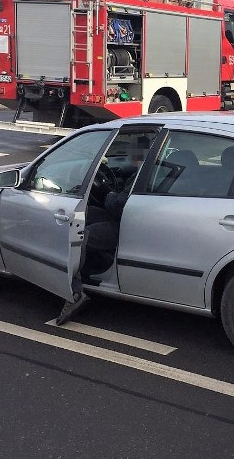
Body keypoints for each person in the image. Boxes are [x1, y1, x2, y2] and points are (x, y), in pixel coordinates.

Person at [56, 135, 151, 325]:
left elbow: (117, 205)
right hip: (124, 219)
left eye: (135, 152)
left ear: (141, 154)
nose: (131, 156)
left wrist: (108, 193)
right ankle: (95, 264)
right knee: (86, 214)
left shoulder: (142, 175)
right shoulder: (148, 171)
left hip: (124, 225)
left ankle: (75, 292)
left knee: (80, 236)